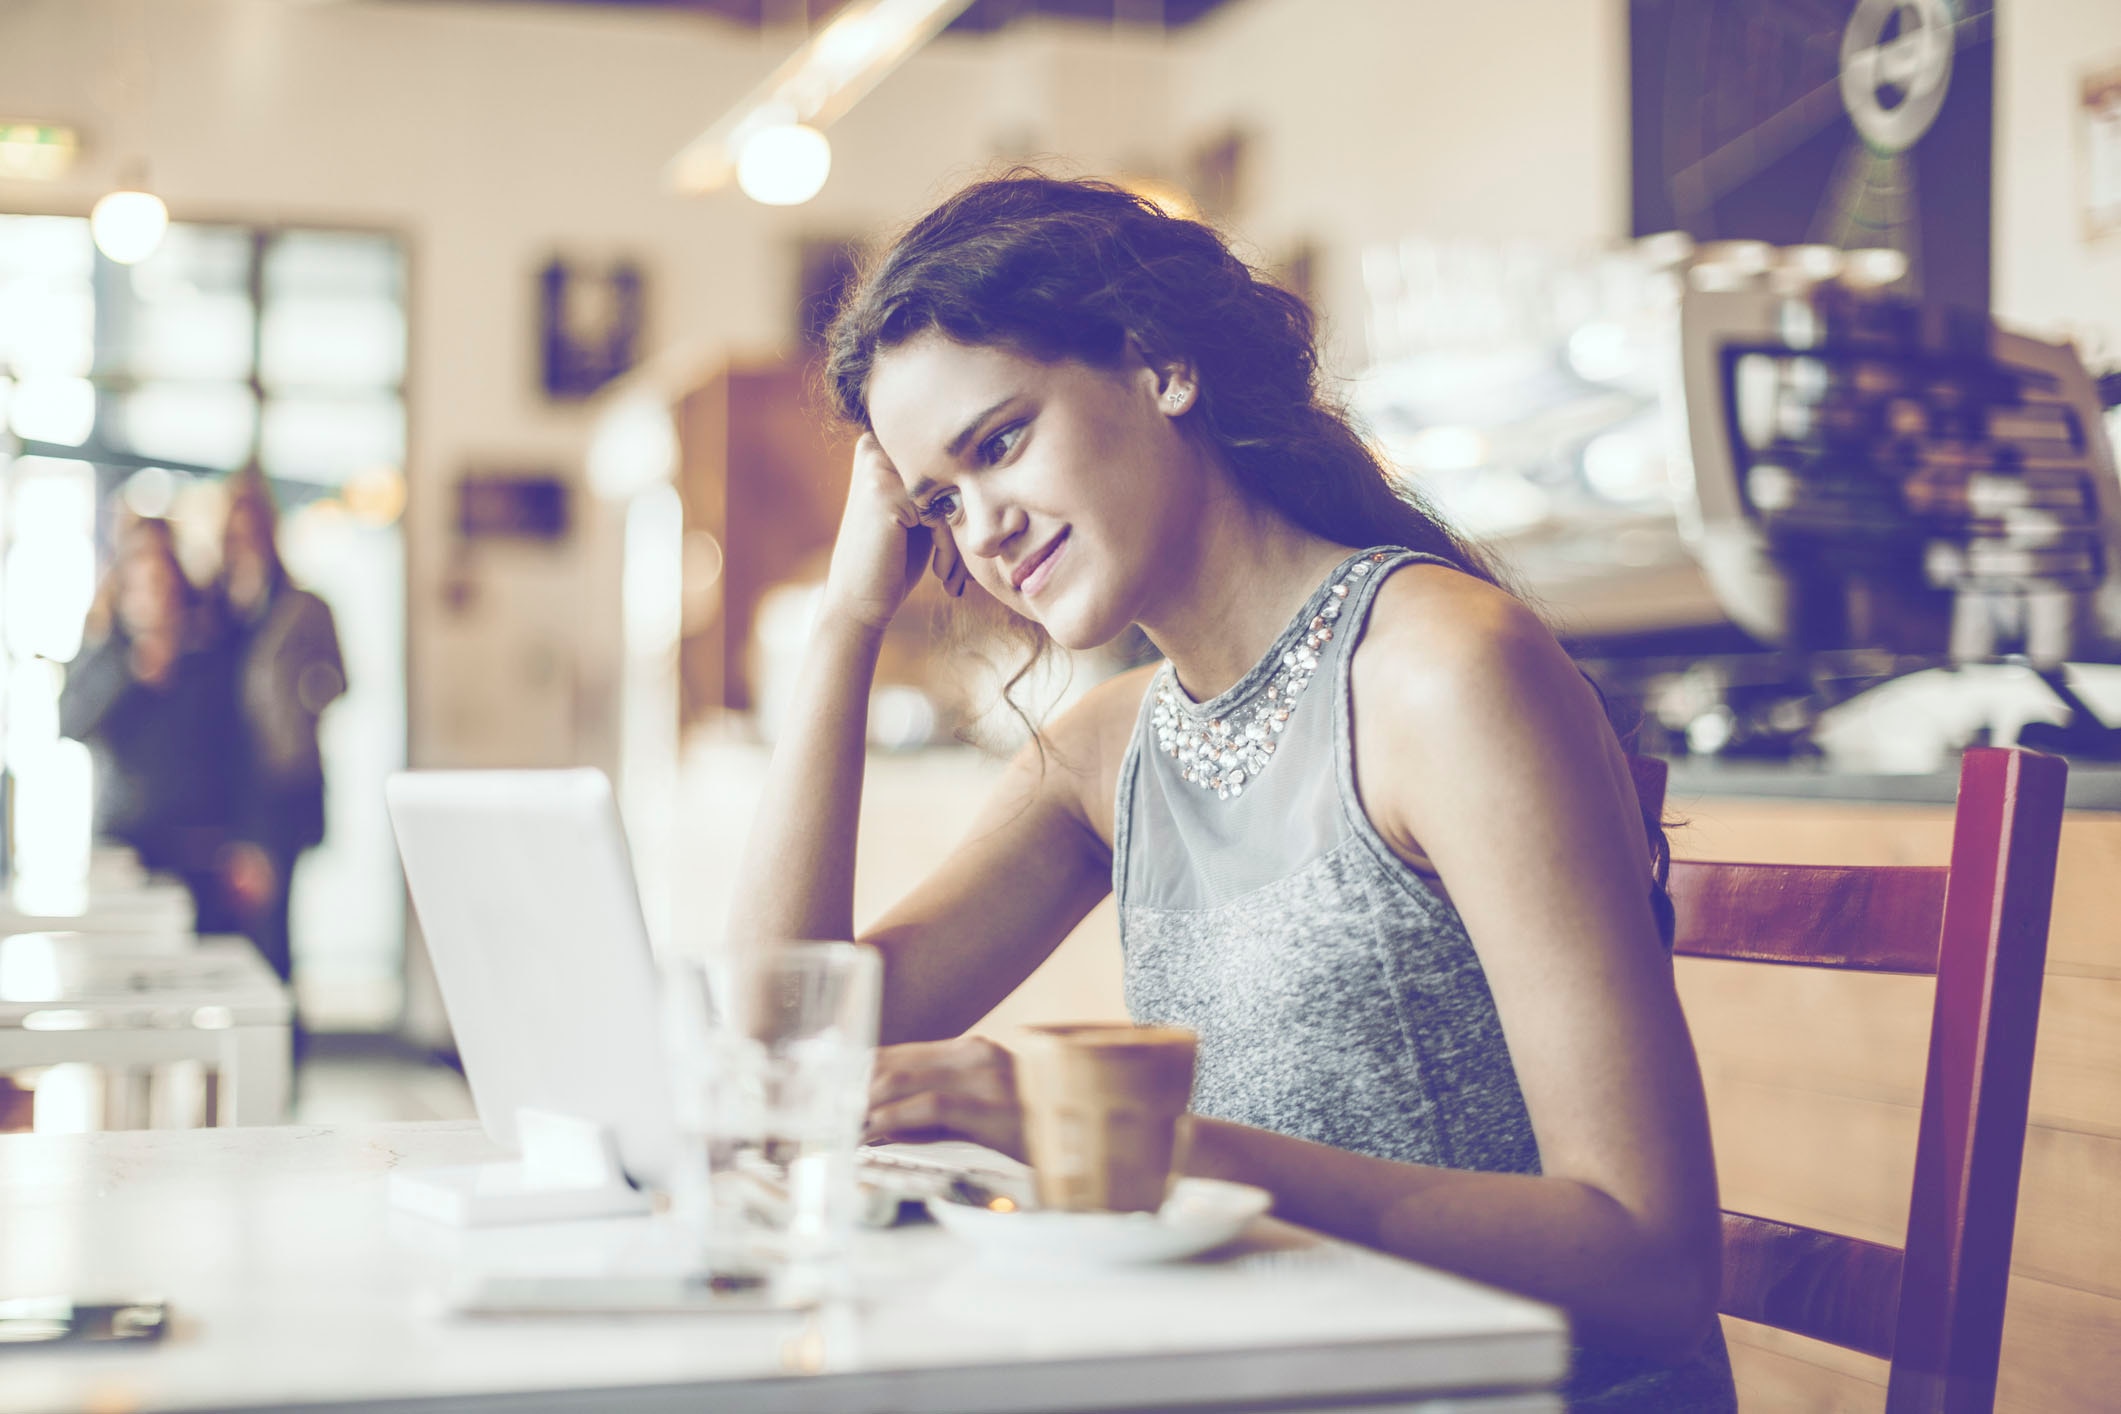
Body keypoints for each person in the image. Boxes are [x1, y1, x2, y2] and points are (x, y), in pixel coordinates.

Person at [730, 174, 1737, 1411]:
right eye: (938, 501)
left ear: (1161, 366)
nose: (980, 529)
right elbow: (787, 1047)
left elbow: (1653, 1264)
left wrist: (1125, 1147)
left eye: (999, 443)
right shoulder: (1107, 751)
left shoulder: (1442, 674)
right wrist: (843, 618)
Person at [60, 516, 251, 935]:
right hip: (123, 842)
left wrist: (245, 841)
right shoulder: (104, 653)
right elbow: (69, 723)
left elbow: (236, 752)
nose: (155, 600)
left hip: (198, 845)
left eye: (163, 586)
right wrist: (128, 672)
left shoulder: (209, 659)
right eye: (143, 587)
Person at [211, 469, 345, 987]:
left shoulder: (304, 608)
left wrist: (299, 694)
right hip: (222, 785)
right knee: (224, 931)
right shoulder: (214, 608)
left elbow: (337, 680)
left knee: (272, 931)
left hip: (280, 782)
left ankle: (278, 1051)